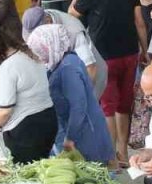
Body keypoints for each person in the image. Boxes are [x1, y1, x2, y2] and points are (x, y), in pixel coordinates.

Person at [71, 0, 148, 164]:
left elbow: (71, 14)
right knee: (124, 104)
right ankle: (123, 153)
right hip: (130, 52)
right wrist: (145, 50)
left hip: (105, 56)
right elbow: (139, 23)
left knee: (108, 107)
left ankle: (110, 157)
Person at [28, 24, 114, 163]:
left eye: (40, 51)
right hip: (75, 132)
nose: (39, 57)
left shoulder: (68, 68)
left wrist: (70, 138)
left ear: (50, 45)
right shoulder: (60, 62)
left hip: (85, 136)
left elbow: (78, 106)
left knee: (93, 178)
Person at [0, 24, 58, 164]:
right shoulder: (28, 54)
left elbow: (5, 111)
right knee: (39, 169)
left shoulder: (8, 66)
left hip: (26, 130)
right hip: (48, 119)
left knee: (24, 175)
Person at [22, 5, 107, 100]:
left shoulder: (73, 31)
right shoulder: (40, 18)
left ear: (48, 22)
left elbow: (91, 68)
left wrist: (80, 99)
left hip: (91, 78)